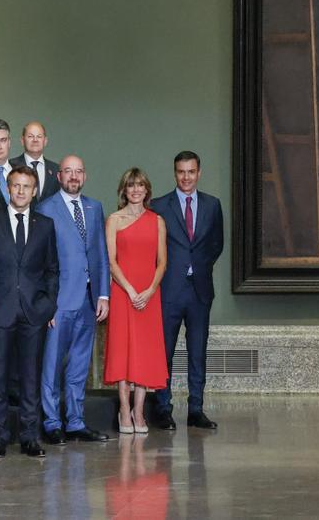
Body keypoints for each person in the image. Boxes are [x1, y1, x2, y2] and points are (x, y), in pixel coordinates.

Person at [0, 165, 58, 459]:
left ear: (35, 190)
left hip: (33, 313)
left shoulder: (46, 224)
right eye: (16, 186)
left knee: (30, 378)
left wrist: (48, 304)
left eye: (27, 186)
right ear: (8, 188)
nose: (21, 191)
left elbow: (52, 270)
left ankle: (30, 436)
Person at [36, 155, 110, 444]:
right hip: (60, 302)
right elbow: (41, 262)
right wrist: (47, 304)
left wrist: (103, 294)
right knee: (52, 365)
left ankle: (76, 422)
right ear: (59, 176)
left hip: (89, 300)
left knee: (79, 365)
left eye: (78, 171)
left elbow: (101, 254)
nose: (74, 176)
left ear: (85, 176)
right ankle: (52, 422)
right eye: (68, 171)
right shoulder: (45, 209)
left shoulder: (94, 207)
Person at [152, 151, 224, 430]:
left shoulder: (212, 205)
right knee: (164, 353)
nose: (186, 177)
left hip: (200, 291)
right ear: (174, 173)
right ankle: (163, 408)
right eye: (181, 172)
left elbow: (216, 244)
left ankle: (196, 409)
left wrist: (199, 267)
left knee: (197, 353)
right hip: (170, 290)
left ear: (199, 173)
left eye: (191, 172)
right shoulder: (159, 205)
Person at [104, 168, 169, 434]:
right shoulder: (114, 220)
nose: (135, 190)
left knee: (144, 353)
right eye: (131, 186)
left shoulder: (157, 221)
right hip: (123, 293)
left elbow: (162, 261)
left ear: (147, 190)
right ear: (124, 190)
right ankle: (124, 409)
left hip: (149, 296)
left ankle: (139, 412)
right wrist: (130, 290)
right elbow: (111, 261)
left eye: (140, 185)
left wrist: (150, 290)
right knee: (122, 351)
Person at [9, 121, 60, 199]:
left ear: (45, 141)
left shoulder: (56, 169)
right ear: (22, 140)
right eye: (30, 136)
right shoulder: (10, 166)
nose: (35, 140)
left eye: (39, 136)